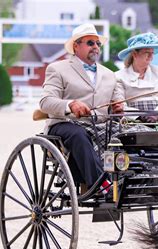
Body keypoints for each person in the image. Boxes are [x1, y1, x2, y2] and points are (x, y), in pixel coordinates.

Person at [39, 23, 123, 194]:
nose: (95, 47)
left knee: (130, 134)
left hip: (100, 126)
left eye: (98, 43)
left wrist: (118, 108)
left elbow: (118, 102)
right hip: (66, 124)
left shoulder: (110, 74)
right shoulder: (57, 68)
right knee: (78, 134)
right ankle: (102, 185)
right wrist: (70, 104)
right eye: (90, 43)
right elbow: (45, 102)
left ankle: (129, 181)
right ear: (76, 46)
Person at [116, 32, 158, 123]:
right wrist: (140, 116)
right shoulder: (118, 77)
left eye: (152, 53)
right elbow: (119, 105)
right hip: (132, 122)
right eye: (147, 53)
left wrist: (157, 114)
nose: (151, 57)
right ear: (135, 54)